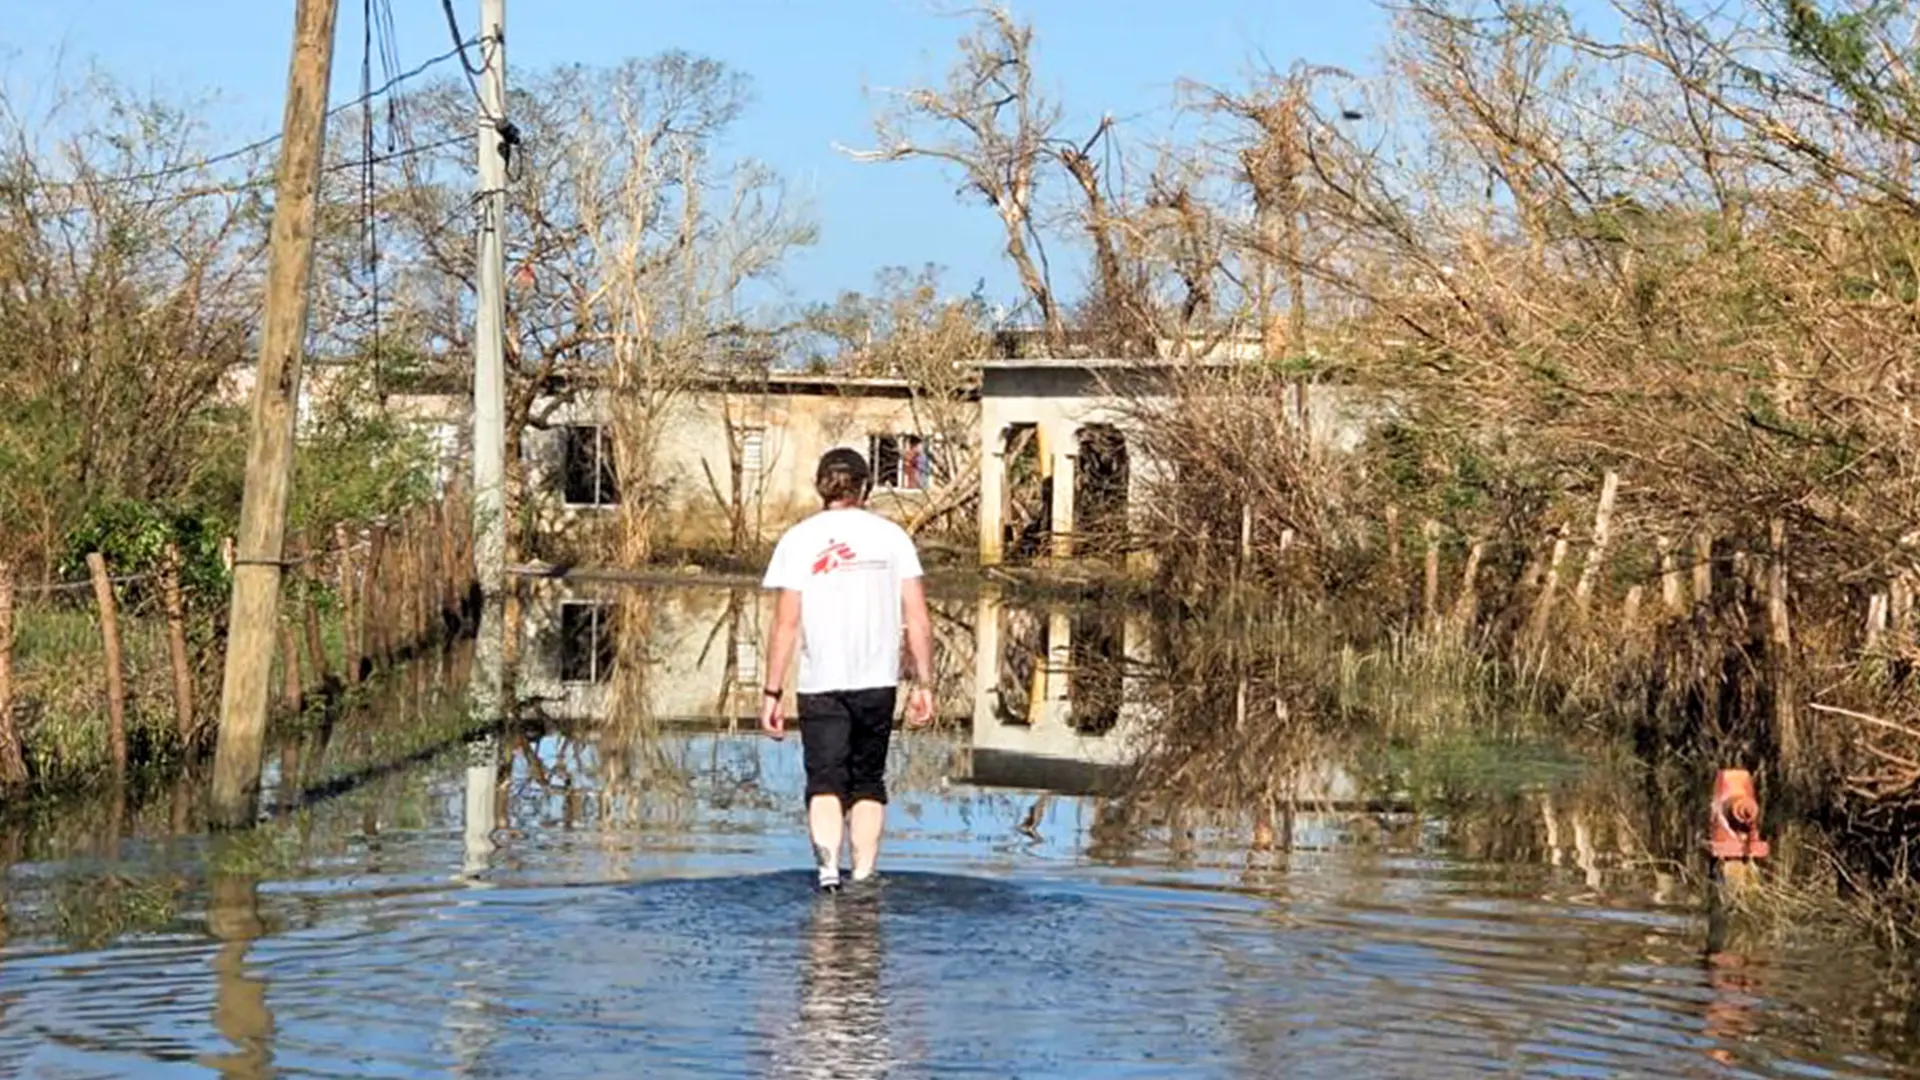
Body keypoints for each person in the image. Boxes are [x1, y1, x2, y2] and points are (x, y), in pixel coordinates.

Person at [760, 447, 935, 893]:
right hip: (877, 681)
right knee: (868, 781)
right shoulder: (892, 536)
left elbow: (786, 622)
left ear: (822, 485)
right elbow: (918, 617)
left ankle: (826, 874)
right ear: (865, 486)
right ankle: (863, 874)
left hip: (821, 683)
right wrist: (924, 684)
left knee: (824, 780)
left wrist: (771, 692)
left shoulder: (799, 538)